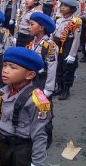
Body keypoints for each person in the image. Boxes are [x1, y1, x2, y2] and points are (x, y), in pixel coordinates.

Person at [0, 47, 51, 166]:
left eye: (12, 67)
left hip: (21, 149)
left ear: (30, 75)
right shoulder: (5, 90)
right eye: (5, 65)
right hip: (4, 144)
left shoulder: (36, 100)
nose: (5, 70)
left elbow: (39, 134)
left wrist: (37, 162)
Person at [27, 12, 58, 148]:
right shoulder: (33, 42)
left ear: (41, 28)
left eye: (32, 24)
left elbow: (52, 67)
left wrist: (49, 88)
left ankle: (46, 137)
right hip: (32, 80)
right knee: (32, 107)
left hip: (43, 81)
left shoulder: (49, 45)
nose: (28, 27)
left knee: (44, 109)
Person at [52, 0, 82, 100]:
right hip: (57, 43)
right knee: (58, 66)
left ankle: (66, 89)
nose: (62, 8)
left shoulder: (75, 21)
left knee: (68, 68)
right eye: (62, 5)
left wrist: (72, 54)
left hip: (68, 44)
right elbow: (54, 33)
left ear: (72, 8)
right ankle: (59, 86)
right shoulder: (59, 19)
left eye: (66, 6)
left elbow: (76, 39)